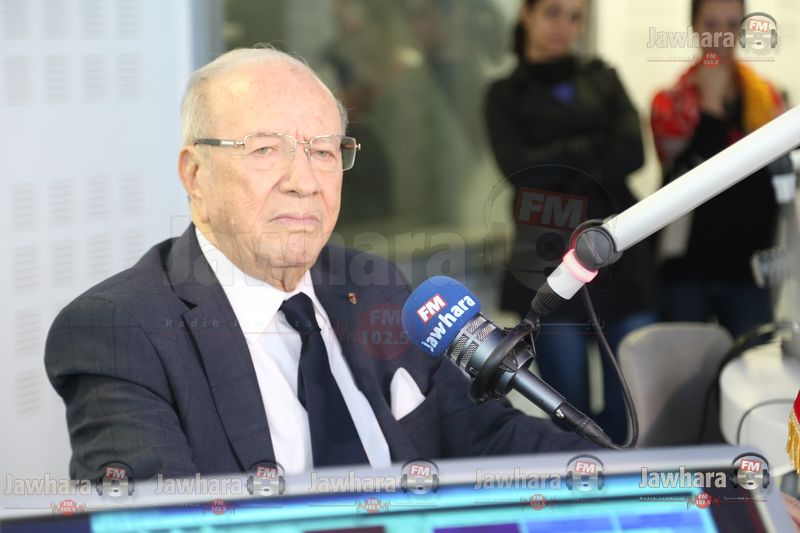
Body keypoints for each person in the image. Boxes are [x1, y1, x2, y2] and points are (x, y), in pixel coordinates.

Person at [44, 47, 592, 481]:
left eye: (324, 151)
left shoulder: (377, 287)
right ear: (195, 175)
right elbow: (158, 520)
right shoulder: (119, 331)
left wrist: (609, 476)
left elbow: (485, 436)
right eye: (265, 149)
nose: (304, 182)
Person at [485, 0, 657, 443]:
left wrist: (557, 158)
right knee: (569, 414)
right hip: (547, 255)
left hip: (619, 254)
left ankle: (621, 479)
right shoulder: (505, 94)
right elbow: (519, 169)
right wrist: (592, 149)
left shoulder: (602, 77)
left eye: (576, 16)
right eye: (553, 12)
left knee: (632, 407)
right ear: (527, 15)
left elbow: (633, 153)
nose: (564, 25)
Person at [651, 0, 784, 338]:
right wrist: (710, 106)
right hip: (688, 268)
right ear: (694, 28)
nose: (721, 36)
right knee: (685, 363)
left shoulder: (768, 98)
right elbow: (692, 175)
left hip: (748, 268)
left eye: (731, 25)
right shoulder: (669, 103)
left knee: (755, 362)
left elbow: (776, 176)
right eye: (711, 24)